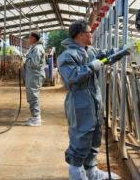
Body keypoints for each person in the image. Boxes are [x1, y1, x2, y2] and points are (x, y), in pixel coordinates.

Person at [58, 20, 126, 180]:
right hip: (79, 102)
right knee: (80, 136)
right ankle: (76, 172)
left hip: (94, 100)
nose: (92, 35)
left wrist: (123, 50)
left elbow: (106, 55)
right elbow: (73, 76)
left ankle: (91, 170)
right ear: (81, 35)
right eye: (90, 32)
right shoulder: (67, 56)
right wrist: (91, 67)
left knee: (95, 136)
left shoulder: (90, 51)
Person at [23, 32, 46, 127]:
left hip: (34, 75)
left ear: (33, 38)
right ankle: (35, 116)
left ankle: (36, 118)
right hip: (33, 75)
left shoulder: (37, 49)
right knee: (33, 95)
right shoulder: (35, 47)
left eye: (29, 38)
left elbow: (34, 63)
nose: (28, 40)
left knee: (33, 96)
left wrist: (25, 60)